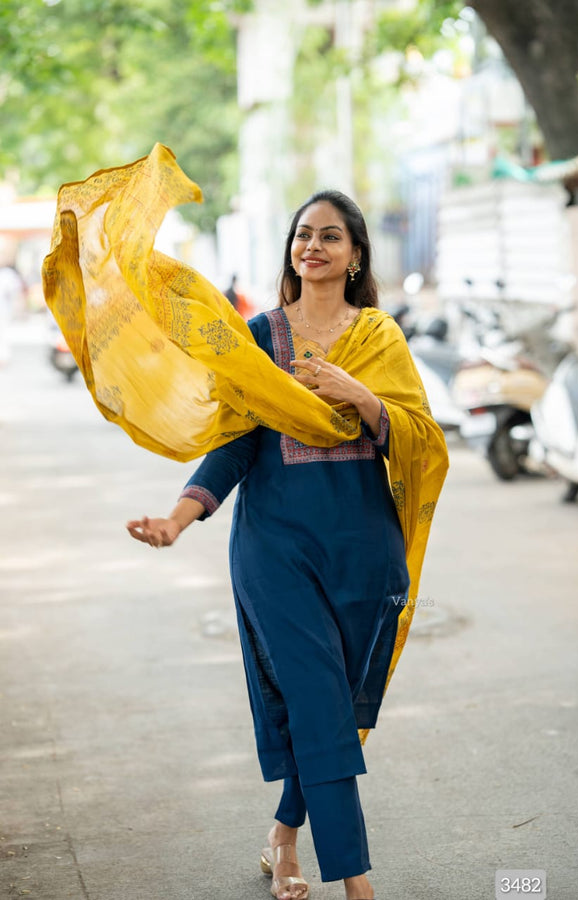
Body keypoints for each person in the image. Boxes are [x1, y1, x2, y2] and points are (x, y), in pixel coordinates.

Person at [125, 189, 449, 900]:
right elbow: (233, 444)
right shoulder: (258, 338)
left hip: (364, 551)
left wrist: (359, 396)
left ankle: (283, 836)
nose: (314, 246)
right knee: (313, 697)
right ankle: (357, 880)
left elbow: (423, 439)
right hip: (276, 550)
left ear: (355, 253)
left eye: (331, 237)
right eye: (304, 234)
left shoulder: (379, 339)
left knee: (337, 707)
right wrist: (179, 519)